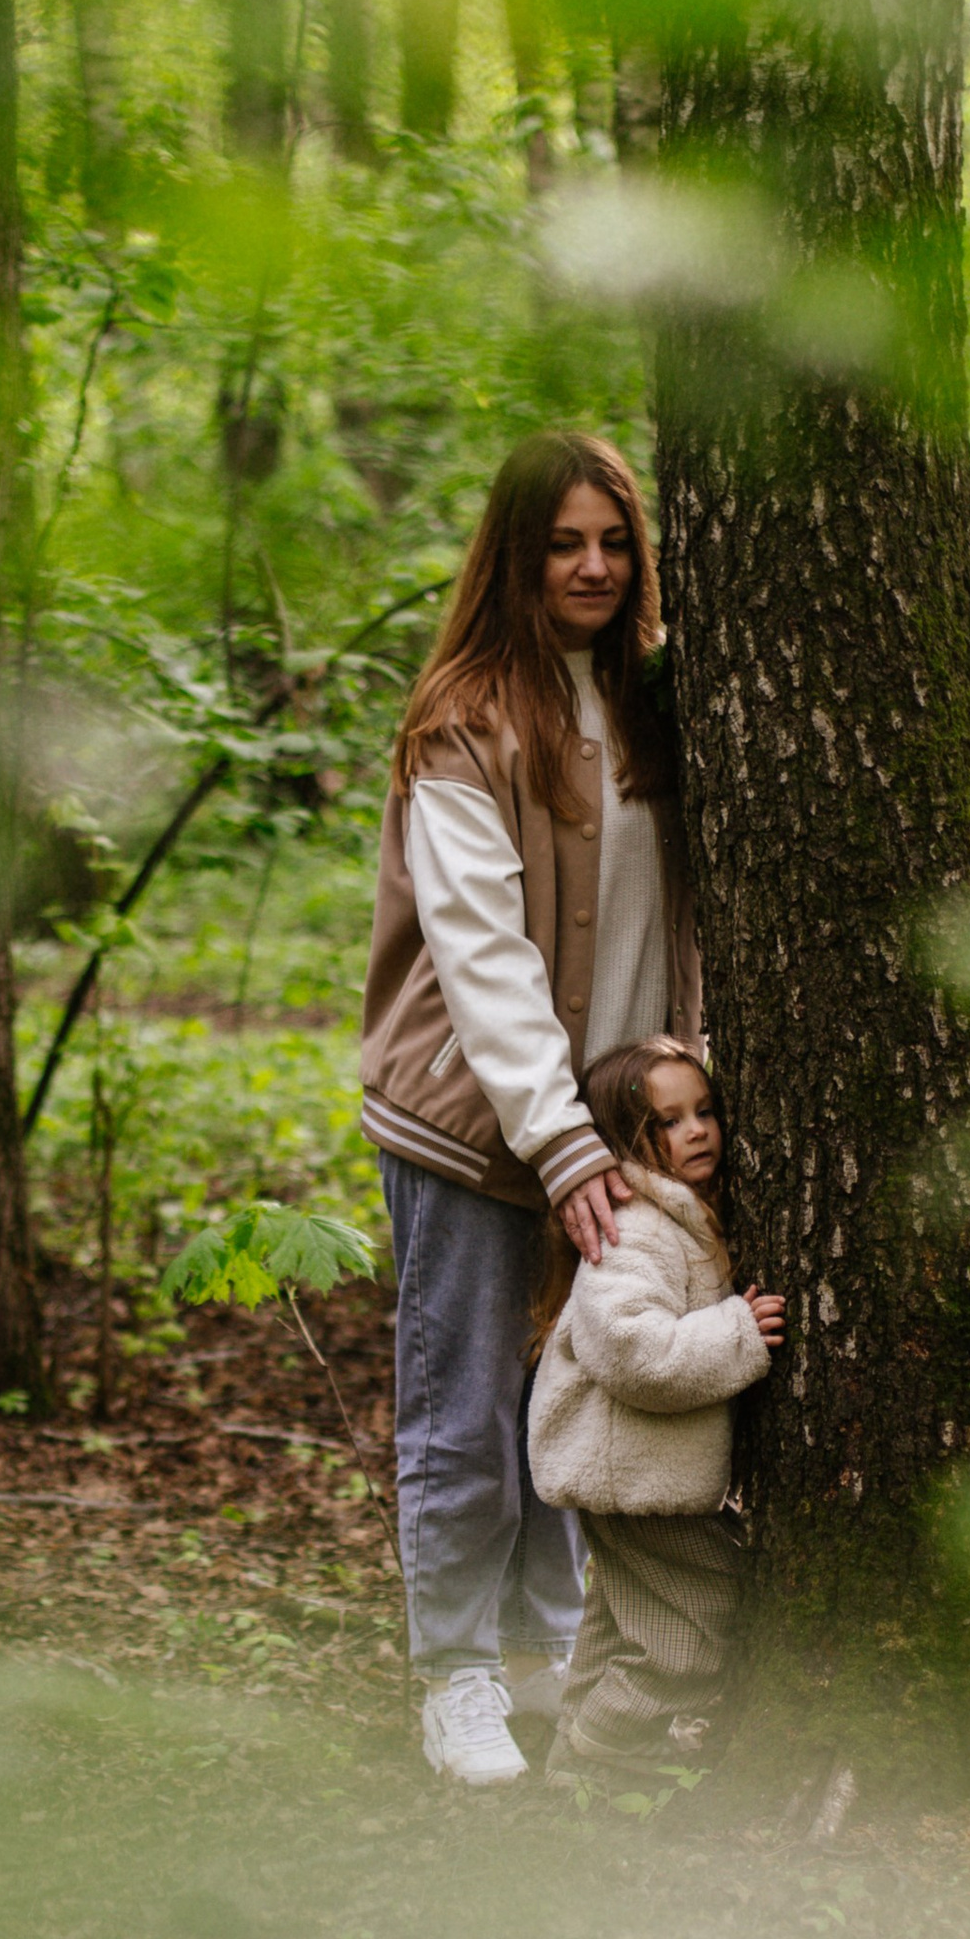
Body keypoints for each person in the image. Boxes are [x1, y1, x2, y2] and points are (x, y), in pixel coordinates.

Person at [360, 430, 698, 1786]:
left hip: (597, 1131)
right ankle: (454, 1677)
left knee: (576, 1403)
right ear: (516, 553)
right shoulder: (465, 720)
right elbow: (480, 951)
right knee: (463, 1420)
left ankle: (553, 1650)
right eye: (565, 542)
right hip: (473, 1125)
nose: (594, 566)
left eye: (614, 541)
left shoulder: (657, 705)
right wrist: (557, 1144)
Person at [527, 1037, 785, 1782]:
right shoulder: (634, 1227)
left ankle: (572, 1765)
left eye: (705, 1111)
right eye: (668, 1122)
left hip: (636, 1474)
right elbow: (632, 1353)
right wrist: (739, 1331)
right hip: (633, 1478)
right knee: (703, 1621)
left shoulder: (678, 1214)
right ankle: (609, 1754)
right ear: (625, 1142)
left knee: (622, 1625)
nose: (697, 1130)